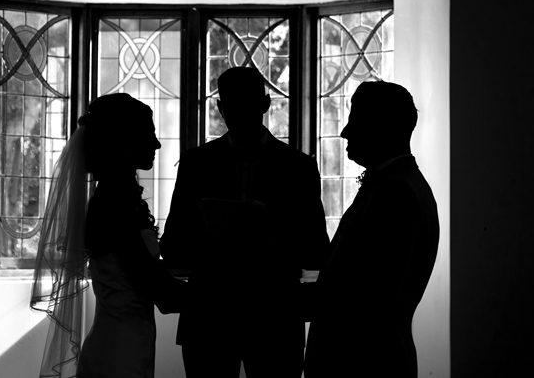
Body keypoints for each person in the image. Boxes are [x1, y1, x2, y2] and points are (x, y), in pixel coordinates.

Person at [159, 67, 329, 378]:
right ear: (221, 108)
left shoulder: (299, 167)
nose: (237, 113)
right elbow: (172, 247)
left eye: (246, 104)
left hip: (275, 317)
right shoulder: (195, 163)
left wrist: (270, 235)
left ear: (266, 104)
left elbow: (317, 249)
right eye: (231, 106)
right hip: (209, 317)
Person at [31, 92, 186, 378]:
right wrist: (236, 296)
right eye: (148, 134)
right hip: (121, 353)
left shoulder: (116, 198)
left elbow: (142, 271)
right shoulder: (115, 205)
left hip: (124, 341)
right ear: (123, 142)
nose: (157, 143)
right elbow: (162, 293)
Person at [304, 81, 440, 378]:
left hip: (364, 363)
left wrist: (284, 300)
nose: (344, 132)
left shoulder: (396, 193)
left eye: (354, 121)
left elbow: (367, 298)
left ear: (381, 127)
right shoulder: (396, 184)